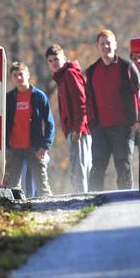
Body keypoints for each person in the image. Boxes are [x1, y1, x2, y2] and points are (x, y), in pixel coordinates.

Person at [85, 29, 140, 191]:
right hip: (100, 127)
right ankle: (93, 199)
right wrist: (91, 123)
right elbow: (88, 99)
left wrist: (138, 120)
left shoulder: (127, 67)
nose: (106, 47)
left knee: (123, 164)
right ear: (97, 47)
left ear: (115, 45)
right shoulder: (92, 71)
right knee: (98, 164)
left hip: (124, 126)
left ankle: (126, 199)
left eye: (109, 43)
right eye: (102, 44)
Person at [45, 44, 92, 194]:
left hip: (79, 130)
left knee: (80, 166)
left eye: (57, 59)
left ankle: (83, 198)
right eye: (50, 61)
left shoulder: (70, 74)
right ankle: (82, 195)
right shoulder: (62, 77)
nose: (54, 63)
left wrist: (77, 129)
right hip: (72, 129)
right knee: (77, 164)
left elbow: (82, 103)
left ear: (64, 58)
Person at [5, 61, 54, 197]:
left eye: (21, 74)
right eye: (15, 75)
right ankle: (15, 212)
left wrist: (45, 146)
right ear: (12, 79)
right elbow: (2, 125)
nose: (18, 78)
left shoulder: (39, 96)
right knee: (11, 187)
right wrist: (4, 149)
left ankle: (51, 209)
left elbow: (50, 123)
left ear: (28, 75)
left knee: (42, 185)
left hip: (35, 148)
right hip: (14, 149)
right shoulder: (8, 99)